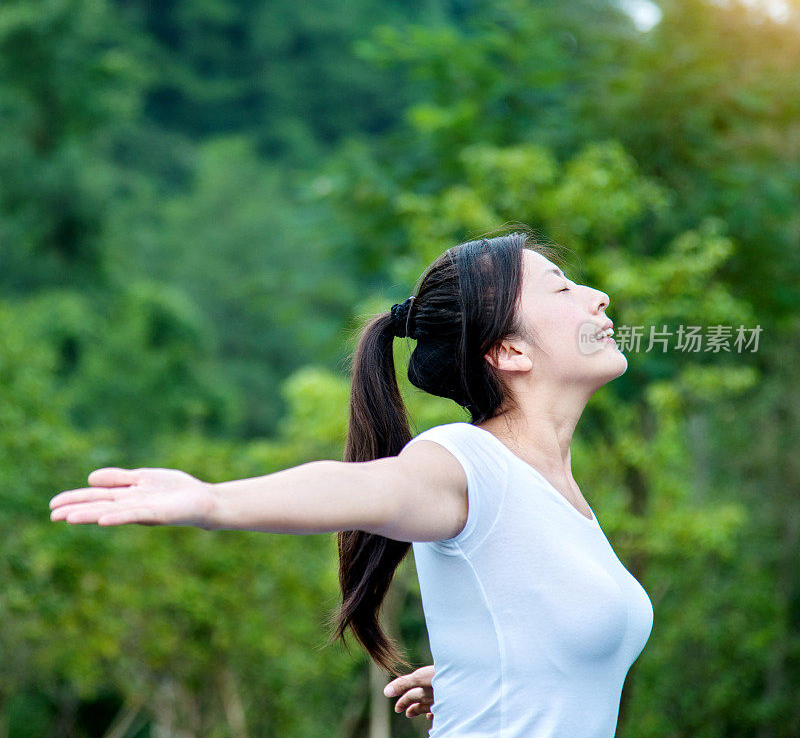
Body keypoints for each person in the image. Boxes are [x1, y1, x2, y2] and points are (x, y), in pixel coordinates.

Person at [49, 230, 654, 737]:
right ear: (509, 349)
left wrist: (493, 676)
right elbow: (366, 488)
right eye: (564, 288)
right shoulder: (468, 461)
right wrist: (215, 500)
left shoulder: (555, 491)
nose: (598, 297)